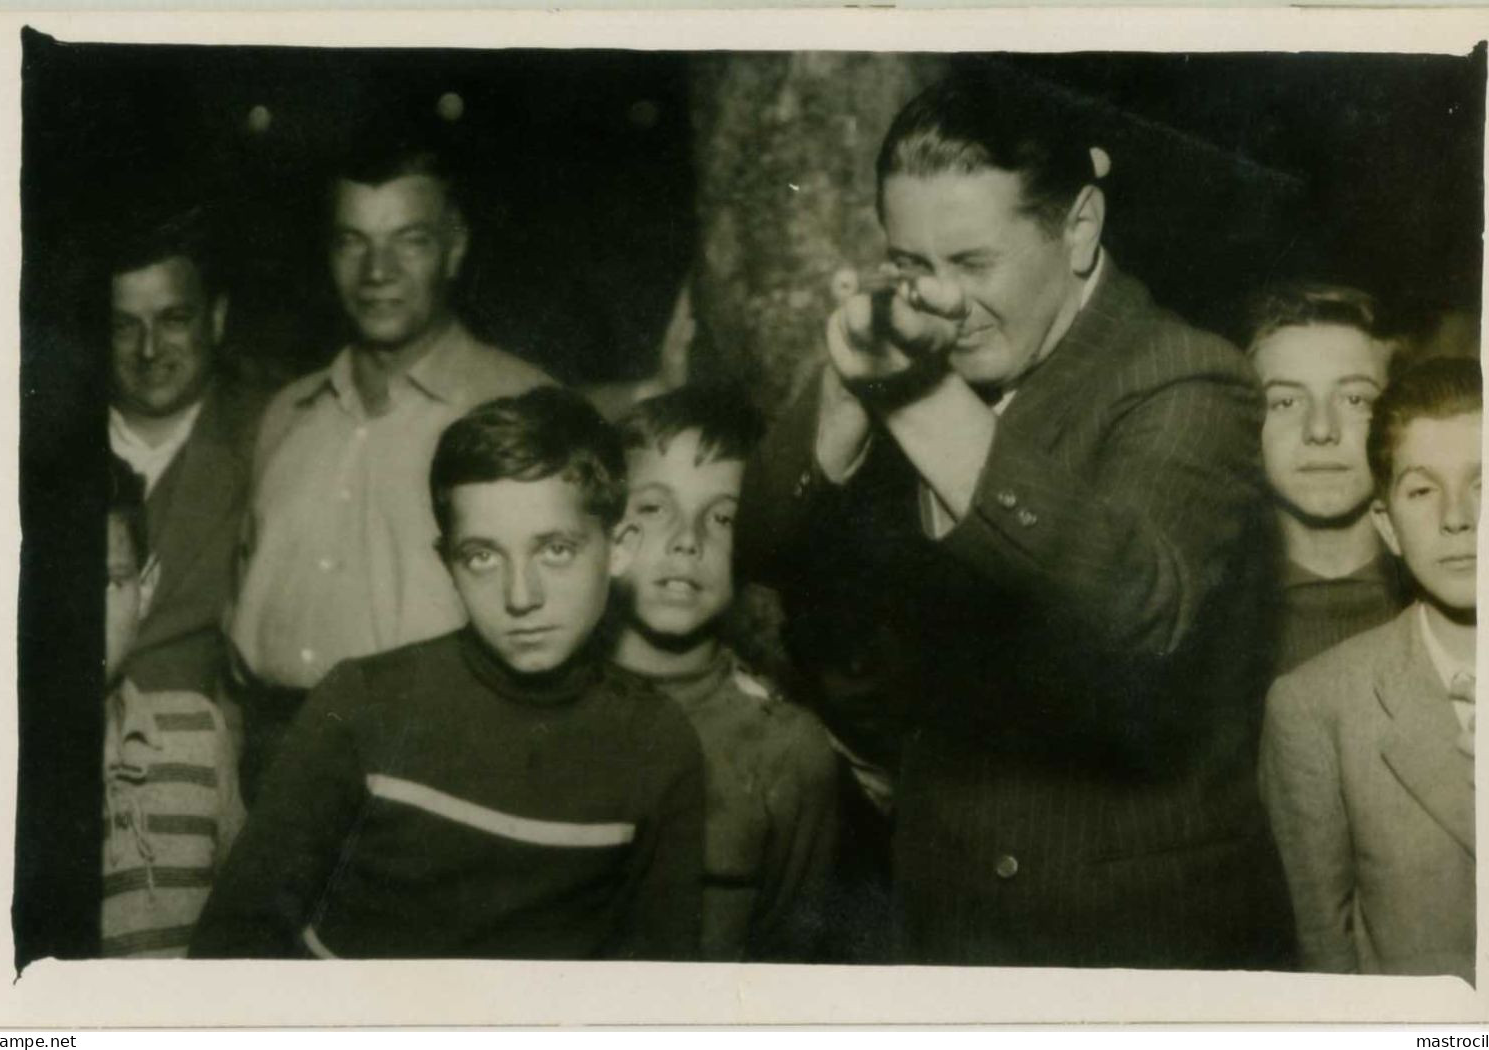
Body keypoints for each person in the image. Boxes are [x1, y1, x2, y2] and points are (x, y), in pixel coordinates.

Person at [738, 72, 1294, 968]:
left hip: (1132, 937)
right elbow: (760, 544)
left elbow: (1134, 607)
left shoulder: (1188, 377)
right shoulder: (920, 344)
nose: (940, 300)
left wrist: (912, 396)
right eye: (911, 265)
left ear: (1077, 230)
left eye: (971, 263)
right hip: (944, 913)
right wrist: (843, 394)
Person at [191, 387, 705, 960]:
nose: (520, 596)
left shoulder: (657, 745)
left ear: (619, 549)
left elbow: (662, 986)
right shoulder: (364, 705)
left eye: (555, 549)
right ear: (447, 565)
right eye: (482, 556)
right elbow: (234, 944)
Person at [227, 138, 553, 796]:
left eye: (408, 240)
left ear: (454, 247)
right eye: (352, 241)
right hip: (269, 763)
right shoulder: (287, 416)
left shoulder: (522, 409)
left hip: (437, 767)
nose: (376, 270)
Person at [1261, 357, 1480, 984]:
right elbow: (1324, 958)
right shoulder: (1318, 706)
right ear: (1386, 525)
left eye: (1488, 484)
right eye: (1421, 489)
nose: (1457, 516)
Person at [612, 385, 840, 962]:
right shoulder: (538, 704)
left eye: (723, 517)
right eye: (654, 507)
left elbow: (789, 964)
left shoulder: (788, 750)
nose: (687, 540)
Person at [108, 216, 266, 695]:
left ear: (216, 320)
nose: (150, 349)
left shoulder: (271, 436)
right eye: (124, 327)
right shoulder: (42, 447)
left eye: (174, 320)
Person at [102, 455, 244, 958]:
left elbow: (242, 923)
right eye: (49, 582)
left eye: (106, 583)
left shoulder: (198, 731)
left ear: (146, 588)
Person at [1246, 283, 1407, 674]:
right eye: (1285, 402)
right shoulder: (1208, 623)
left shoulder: (1457, 599)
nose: (1320, 429)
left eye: (1355, 399)